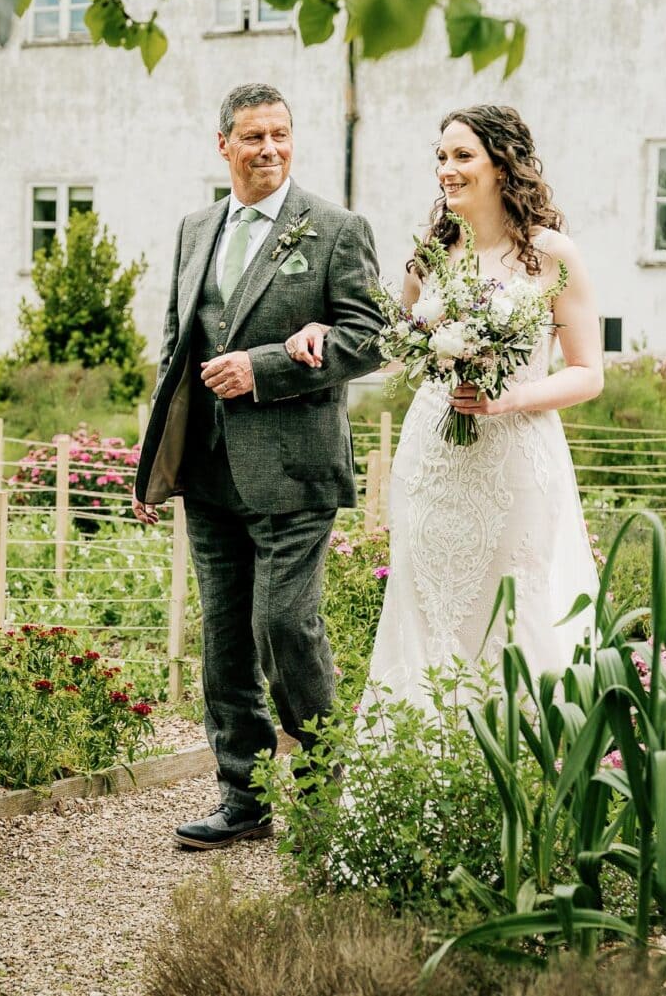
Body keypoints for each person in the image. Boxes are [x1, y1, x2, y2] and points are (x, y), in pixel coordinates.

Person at [132, 83, 385, 849]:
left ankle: (321, 784)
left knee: (285, 625)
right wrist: (154, 463)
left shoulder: (336, 230)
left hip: (295, 467)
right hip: (207, 469)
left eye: (280, 134)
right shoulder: (194, 228)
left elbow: (369, 339)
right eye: (253, 137)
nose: (269, 148)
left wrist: (268, 366)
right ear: (224, 146)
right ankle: (241, 796)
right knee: (225, 641)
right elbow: (177, 348)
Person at [285, 104, 603, 708]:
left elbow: (588, 374)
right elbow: (396, 347)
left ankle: (523, 764)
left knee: (513, 606)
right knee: (426, 605)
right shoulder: (432, 254)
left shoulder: (550, 253)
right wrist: (326, 331)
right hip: (432, 458)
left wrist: (510, 397)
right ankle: (422, 767)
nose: (447, 170)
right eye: (441, 157)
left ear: (503, 164)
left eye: (462, 156)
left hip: (514, 458)